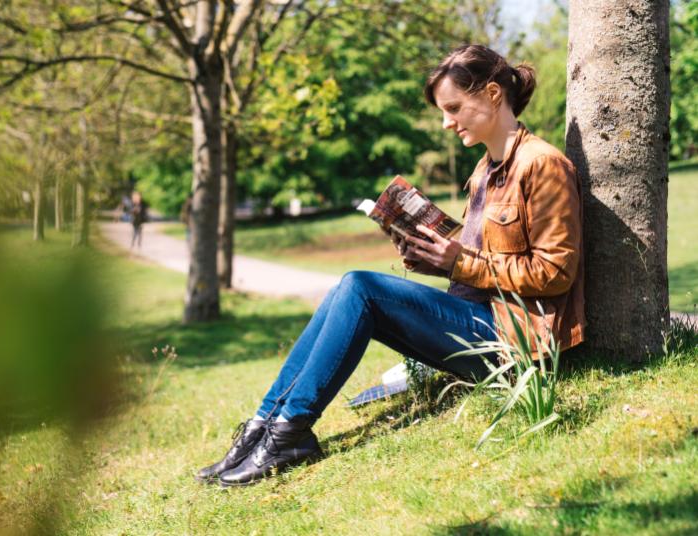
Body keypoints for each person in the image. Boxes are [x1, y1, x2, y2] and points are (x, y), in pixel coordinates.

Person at [196, 44, 585, 487]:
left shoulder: (543, 165)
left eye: (454, 107)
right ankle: (265, 426)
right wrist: (436, 260)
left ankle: (289, 432)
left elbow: (556, 273)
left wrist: (459, 262)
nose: (446, 122)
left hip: (515, 345)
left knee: (361, 287)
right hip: (480, 322)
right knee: (350, 286)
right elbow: (485, 262)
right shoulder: (485, 170)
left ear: (493, 94)